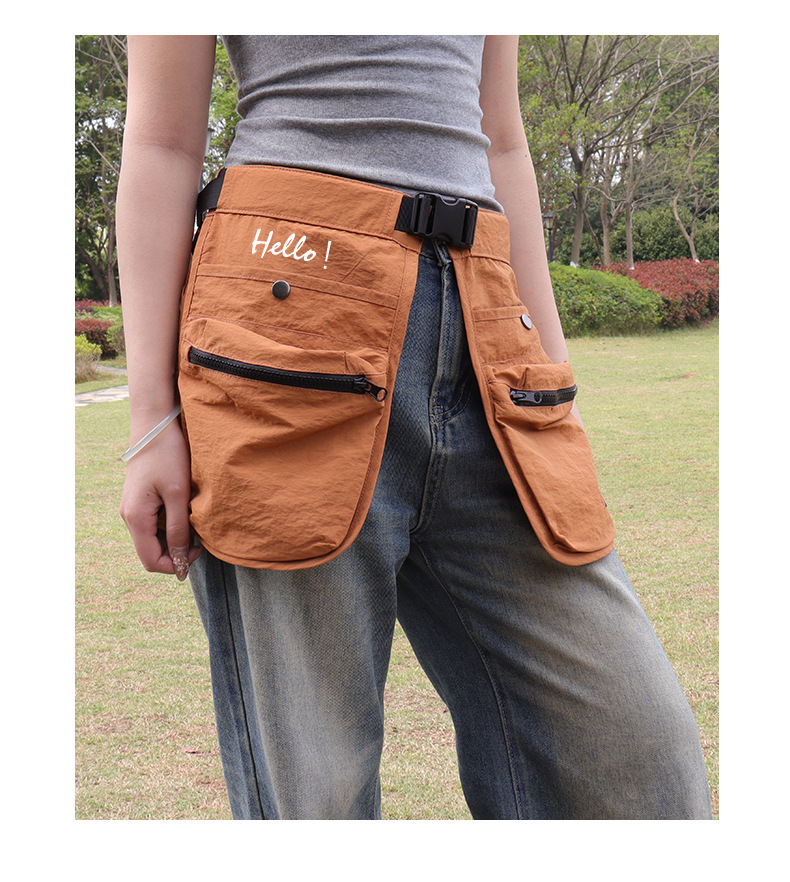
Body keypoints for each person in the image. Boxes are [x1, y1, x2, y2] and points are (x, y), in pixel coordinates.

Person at [117, 35, 712, 820]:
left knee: (638, 763)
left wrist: (551, 373)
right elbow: (163, 142)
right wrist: (152, 417)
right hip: (289, 320)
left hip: (487, 316)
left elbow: (502, 140)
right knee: (316, 795)